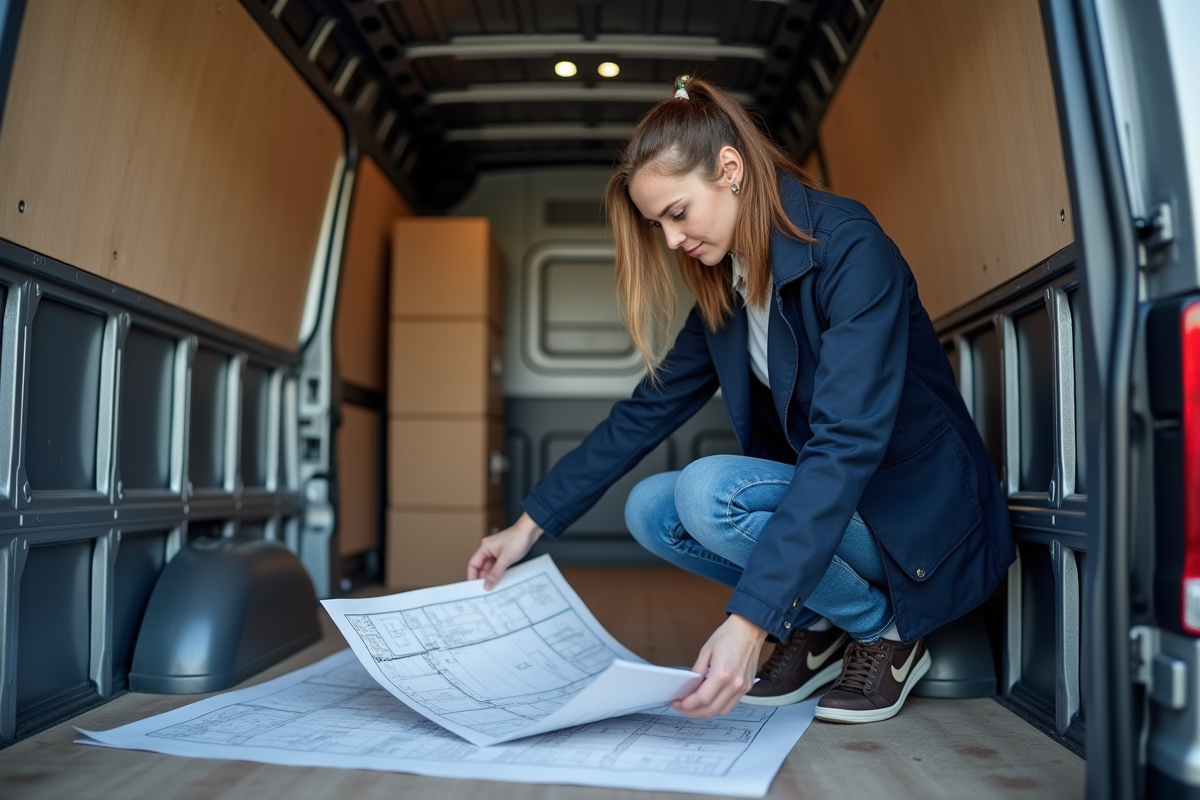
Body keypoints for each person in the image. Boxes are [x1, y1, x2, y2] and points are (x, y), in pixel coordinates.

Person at [467, 75, 1014, 724]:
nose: (671, 241)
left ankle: (885, 630)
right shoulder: (728, 283)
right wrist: (526, 527)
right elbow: (647, 410)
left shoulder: (848, 247)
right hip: (840, 510)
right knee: (650, 509)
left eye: (677, 214)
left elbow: (845, 443)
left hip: (916, 514)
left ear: (730, 169)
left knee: (708, 492)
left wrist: (752, 620)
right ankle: (823, 625)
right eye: (657, 225)